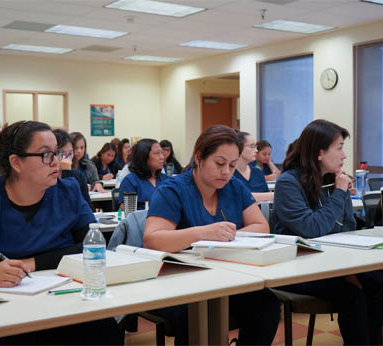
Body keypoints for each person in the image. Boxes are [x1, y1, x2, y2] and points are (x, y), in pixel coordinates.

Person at [0, 121, 123, 345]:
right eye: (45, 155)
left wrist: (32, 263)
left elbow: (93, 246)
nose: (56, 162)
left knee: (106, 328)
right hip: (3, 310)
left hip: (63, 303)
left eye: (57, 154)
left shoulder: (68, 192)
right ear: (16, 163)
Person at [144, 125, 280, 345]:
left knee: (267, 306)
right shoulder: (172, 190)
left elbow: (261, 226)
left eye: (232, 165)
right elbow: (153, 239)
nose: (226, 171)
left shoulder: (235, 187)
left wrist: (228, 237)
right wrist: (203, 234)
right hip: (180, 284)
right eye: (219, 164)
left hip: (227, 278)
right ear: (199, 157)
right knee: (198, 315)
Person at [274, 119, 383, 345]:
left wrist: (339, 192)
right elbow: (311, 229)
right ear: (319, 153)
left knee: (377, 282)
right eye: (340, 148)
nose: (344, 156)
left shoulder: (331, 180)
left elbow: (347, 227)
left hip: (333, 263)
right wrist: (340, 193)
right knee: (353, 295)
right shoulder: (288, 183)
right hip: (296, 269)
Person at [118, 139, 167, 210]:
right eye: (157, 153)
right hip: (141, 219)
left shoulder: (166, 180)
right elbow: (126, 210)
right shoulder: (131, 181)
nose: (162, 157)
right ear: (144, 156)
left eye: (161, 153)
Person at [52, 129, 92, 209]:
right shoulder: (48, 177)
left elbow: (88, 207)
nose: (67, 158)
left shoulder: (78, 176)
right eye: (63, 154)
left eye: (70, 153)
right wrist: (66, 172)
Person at [233, 131, 274, 202]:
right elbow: (239, 197)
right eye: (252, 146)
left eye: (256, 147)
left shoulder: (258, 172)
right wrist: (274, 195)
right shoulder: (229, 174)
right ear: (239, 147)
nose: (256, 150)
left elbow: (268, 198)